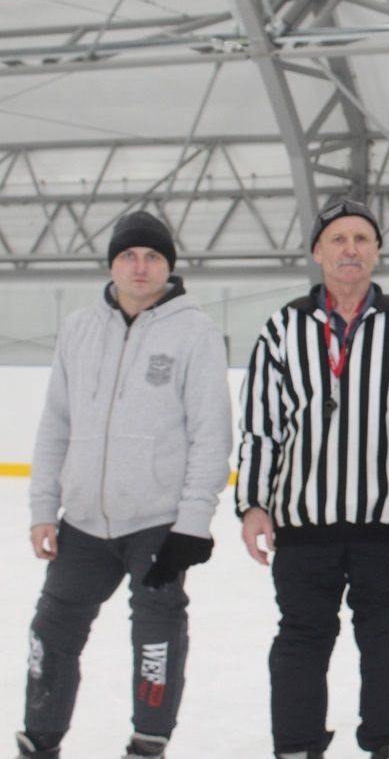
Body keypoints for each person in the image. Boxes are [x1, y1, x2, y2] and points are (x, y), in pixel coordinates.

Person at [236, 197, 389, 759]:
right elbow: (262, 425)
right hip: (303, 520)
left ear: (377, 250)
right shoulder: (284, 328)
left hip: (388, 521)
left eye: (361, 238)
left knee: (385, 637)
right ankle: (297, 747)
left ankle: (386, 746)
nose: (350, 249)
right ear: (317, 252)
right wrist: (254, 504)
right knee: (302, 639)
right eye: (338, 239)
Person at [18, 211, 232, 759]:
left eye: (153, 257)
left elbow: (211, 435)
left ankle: (147, 742)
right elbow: (56, 424)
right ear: (112, 263)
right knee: (51, 630)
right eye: (129, 256)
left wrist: (191, 524)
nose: (141, 267)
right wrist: (45, 506)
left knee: (156, 638)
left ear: (169, 267)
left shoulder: (195, 332)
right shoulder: (79, 329)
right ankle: (40, 738)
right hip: (83, 521)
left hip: (156, 523)